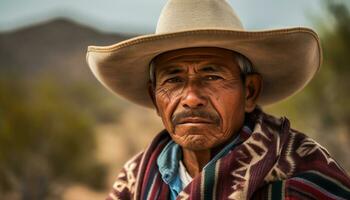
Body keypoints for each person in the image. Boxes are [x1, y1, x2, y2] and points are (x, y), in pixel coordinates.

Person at [86, 0, 350, 199]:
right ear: (155, 100)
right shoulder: (134, 181)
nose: (191, 98)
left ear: (249, 92)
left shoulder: (303, 170)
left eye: (211, 76)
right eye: (173, 80)